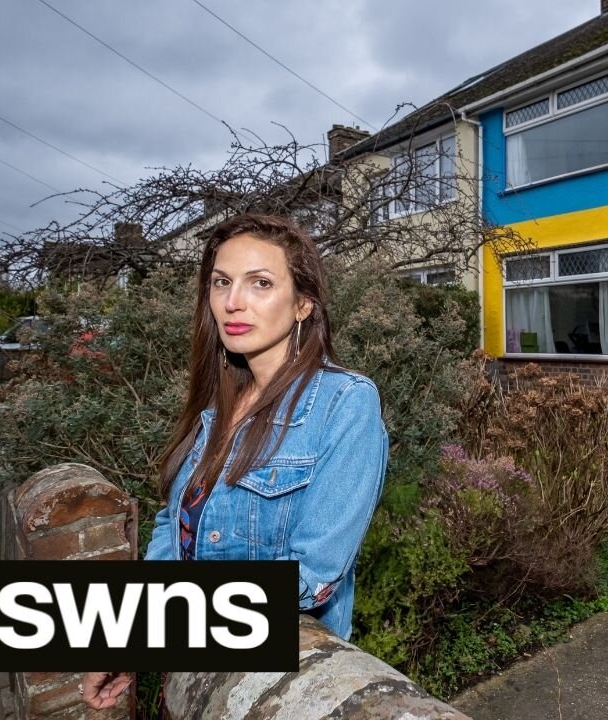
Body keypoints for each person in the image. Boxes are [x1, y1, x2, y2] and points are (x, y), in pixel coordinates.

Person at [81, 214, 389, 710]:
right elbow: (172, 528)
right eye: (221, 282)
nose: (232, 302)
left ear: (303, 304)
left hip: (274, 689)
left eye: (260, 283)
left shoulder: (345, 402)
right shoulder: (217, 405)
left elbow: (313, 575)